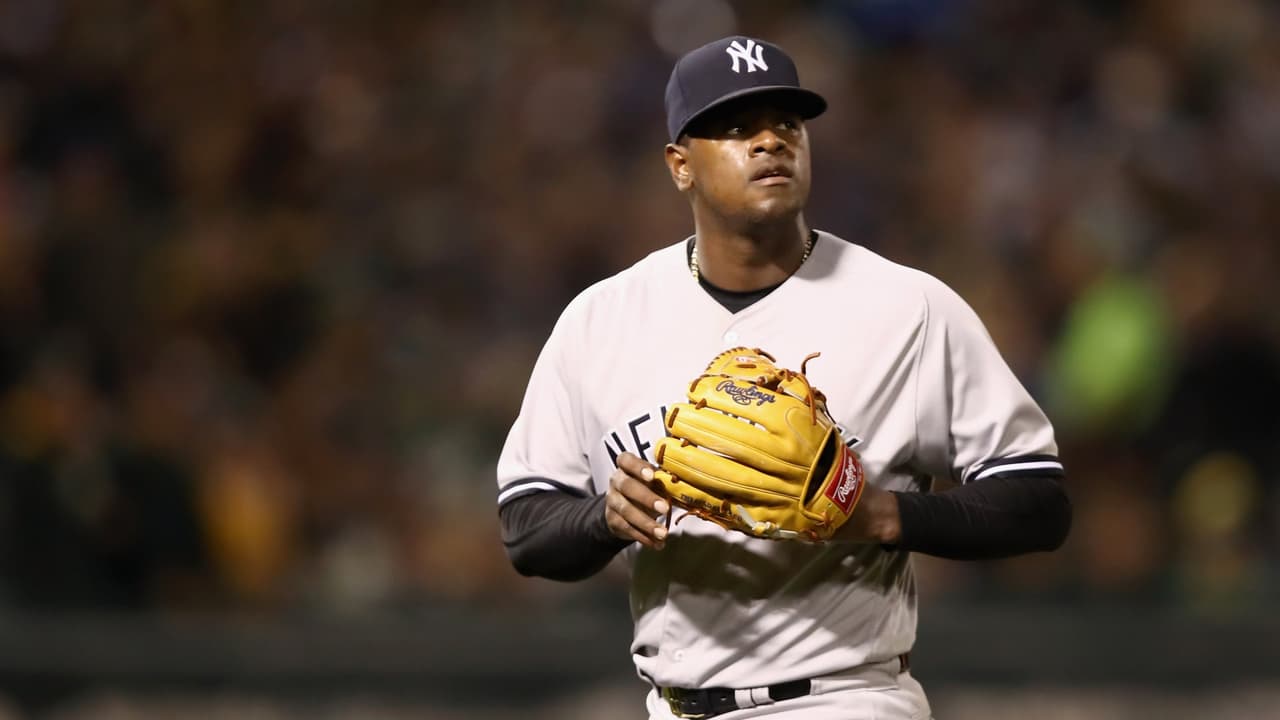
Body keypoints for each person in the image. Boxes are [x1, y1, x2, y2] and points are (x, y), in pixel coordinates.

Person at [497, 36, 1071, 720]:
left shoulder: (909, 308)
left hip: (847, 696)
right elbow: (526, 526)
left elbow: (1038, 500)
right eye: (737, 127)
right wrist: (606, 517)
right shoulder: (600, 321)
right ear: (680, 165)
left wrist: (881, 515)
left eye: (787, 124)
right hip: (673, 705)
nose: (770, 141)